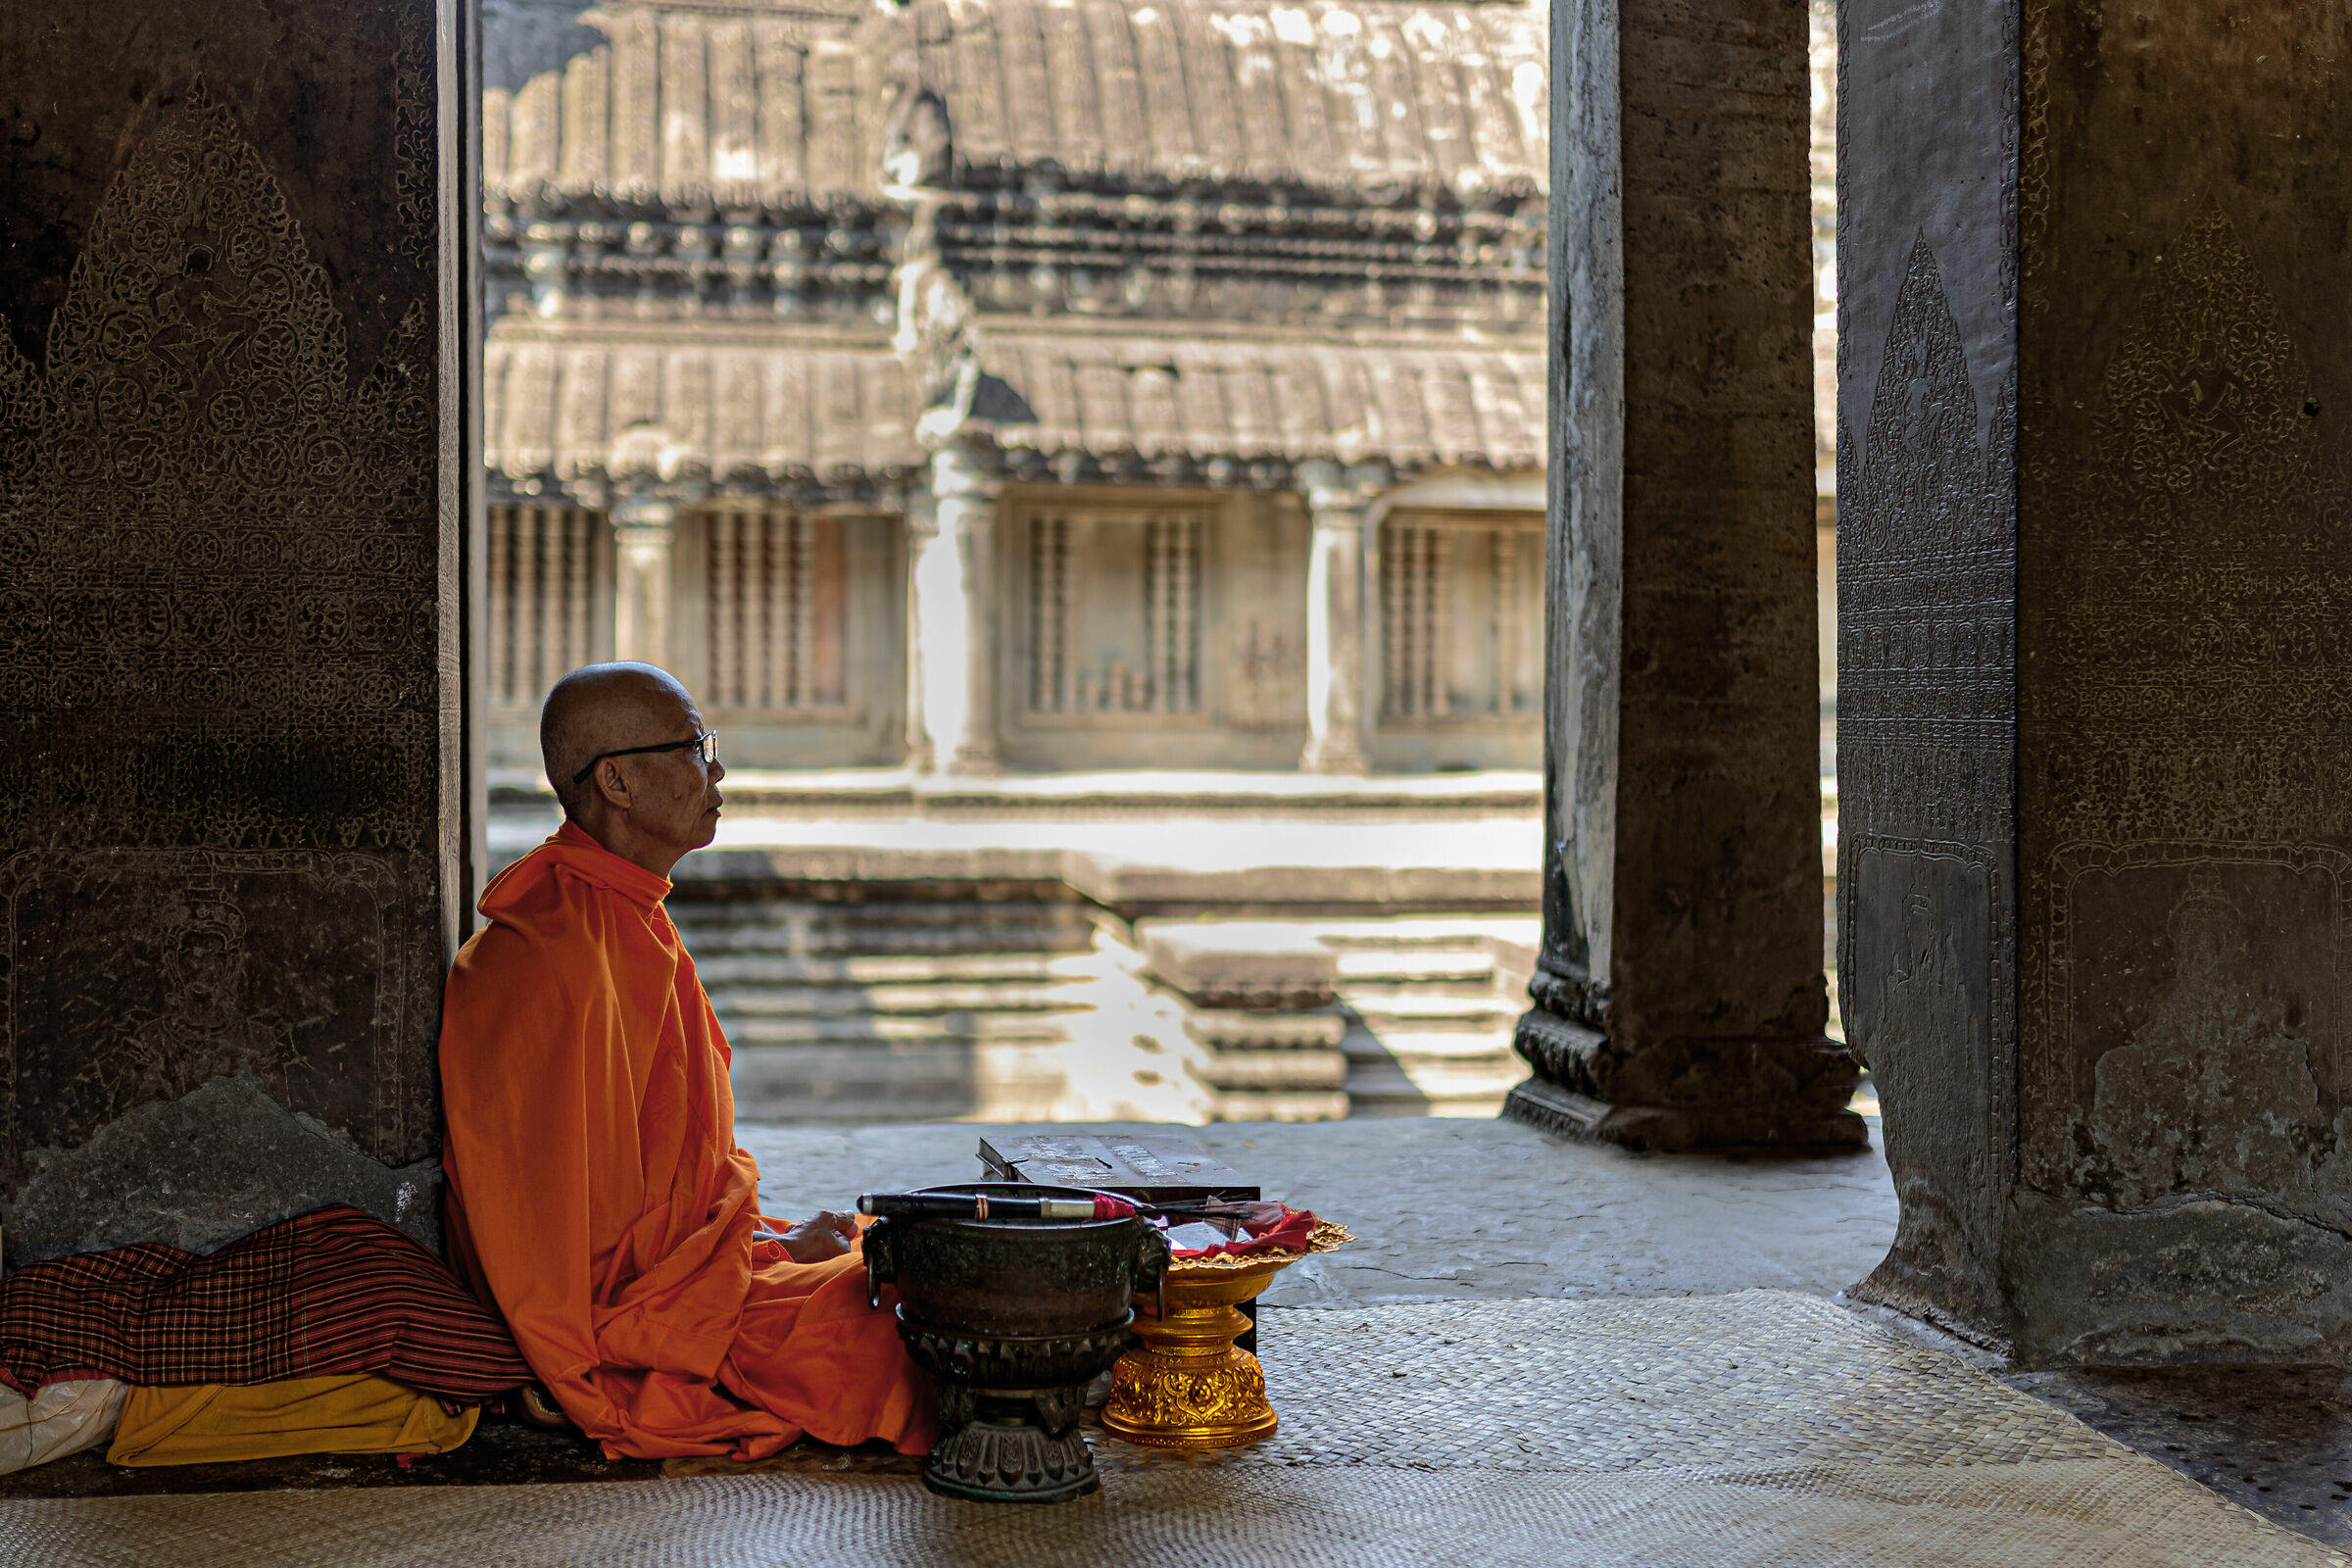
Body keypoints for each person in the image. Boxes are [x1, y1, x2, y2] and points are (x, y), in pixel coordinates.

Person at [437, 662, 934, 1460]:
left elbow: (668, 1198)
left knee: (915, 1254)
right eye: (696, 746)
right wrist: (761, 1261)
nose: (718, 769)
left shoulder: (625, 912)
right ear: (618, 782)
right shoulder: (548, 957)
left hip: (700, 1283)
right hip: (654, 1327)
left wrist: (763, 1248)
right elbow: (577, 1268)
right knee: (920, 1321)